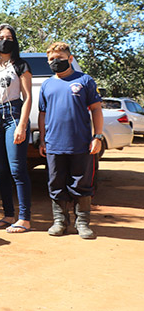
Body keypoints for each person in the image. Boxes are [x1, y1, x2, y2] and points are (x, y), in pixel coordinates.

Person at [39, 42, 102, 240]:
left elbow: (96, 109)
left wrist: (97, 136)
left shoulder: (85, 80)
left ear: (70, 59)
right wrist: (42, 140)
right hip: (54, 144)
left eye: (59, 59)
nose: (55, 62)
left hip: (81, 144)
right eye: (51, 59)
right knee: (55, 183)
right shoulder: (47, 84)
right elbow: (42, 114)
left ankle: (82, 223)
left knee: (81, 184)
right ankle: (60, 221)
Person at [0, 24, 33, 233]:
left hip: (13, 115)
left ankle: (24, 218)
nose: (4, 40)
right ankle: (8, 215)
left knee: (17, 168)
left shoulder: (20, 65)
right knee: (0, 170)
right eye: (1, 37)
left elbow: (27, 97)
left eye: (9, 37)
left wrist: (22, 124)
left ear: (14, 41)